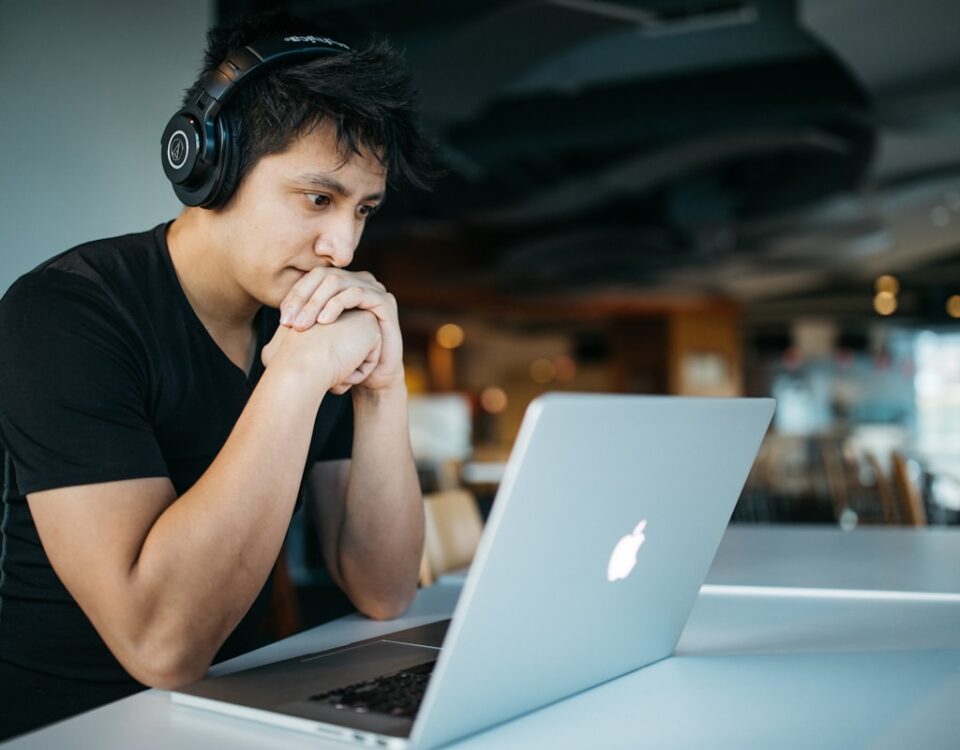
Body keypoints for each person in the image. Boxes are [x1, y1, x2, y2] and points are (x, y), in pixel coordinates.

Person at [0, 11, 432, 740]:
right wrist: (294, 377)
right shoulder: (67, 314)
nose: (343, 244)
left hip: (231, 713)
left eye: (364, 210)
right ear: (210, 164)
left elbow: (384, 590)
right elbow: (160, 645)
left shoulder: (305, 315)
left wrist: (382, 388)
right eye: (318, 198)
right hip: (69, 726)